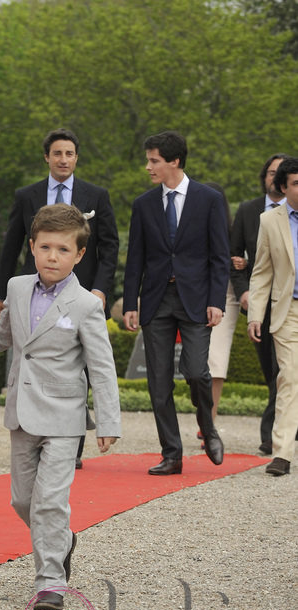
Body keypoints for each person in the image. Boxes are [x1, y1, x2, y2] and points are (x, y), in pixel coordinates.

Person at [0, 204, 120, 610]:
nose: (52, 256)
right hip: (21, 412)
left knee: (49, 502)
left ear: (79, 255)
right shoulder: (16, 288)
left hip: (64, 417)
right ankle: (60, 539)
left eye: (63, 250)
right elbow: (0, 336)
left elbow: (102, 366)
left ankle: (51, 582)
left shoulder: (86, 305)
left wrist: (108, 420)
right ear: (32, 247)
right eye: (45, 247)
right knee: (23, 502)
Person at [0, 128, 118, 469]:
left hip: (83, 292)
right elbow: (11, 247)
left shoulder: (97, 195)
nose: (64, 159)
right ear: (47, 157)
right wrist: (1, 293)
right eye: (58, 153)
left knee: (82, 367)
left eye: (70, 154)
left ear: (77, 158)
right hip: (33, 291)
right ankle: (36, 434)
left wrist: (101, 290)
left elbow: (109, 248)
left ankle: (69, 439)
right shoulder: (26, 195)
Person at [122, 131, 230, 475]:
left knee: (197, 372)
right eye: (148, 160)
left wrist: (216, 301)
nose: (148, 167)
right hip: (156, 301)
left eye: (154, 161)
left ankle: (208, 429)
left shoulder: (209, 199)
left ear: (174, 161)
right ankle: (172, 454)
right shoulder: (142, 204)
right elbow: (134, 258)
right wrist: (130, 304)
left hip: (197, 300)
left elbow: (220, 257)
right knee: (159, 383)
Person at [230, 154, 293, 455]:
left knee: (289, 375)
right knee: (282, 374)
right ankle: (280, 445)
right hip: (274, 307)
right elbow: (250, 267)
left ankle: (278, 439)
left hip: (287, 306)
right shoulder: (259, 216)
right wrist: (250, 305)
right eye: (296, 183)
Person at [247, 156, 298, 477]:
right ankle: (282, 452)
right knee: (290, 378)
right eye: (295, 183)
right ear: (283, 187)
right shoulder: (270, 221)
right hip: (287, 312)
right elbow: (261, 273)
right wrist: (255, 314)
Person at [201, 183, 236, 434]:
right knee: (195, 364)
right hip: (192, 295)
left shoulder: (232, 232)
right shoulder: (186, 228)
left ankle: (209, 423)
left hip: (225, 295)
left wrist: (241, 262)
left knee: (216, 360)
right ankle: (202, 411)